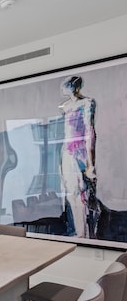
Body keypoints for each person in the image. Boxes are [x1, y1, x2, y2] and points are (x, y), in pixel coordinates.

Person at [58, 75, 100, 238]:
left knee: (82, 194)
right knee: (71, 193)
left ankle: (84, 235)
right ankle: (79, 232)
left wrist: (91, 164)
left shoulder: (87, 103)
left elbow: (89, 132)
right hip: (67, 152)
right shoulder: (65, 106)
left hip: (80, 151)